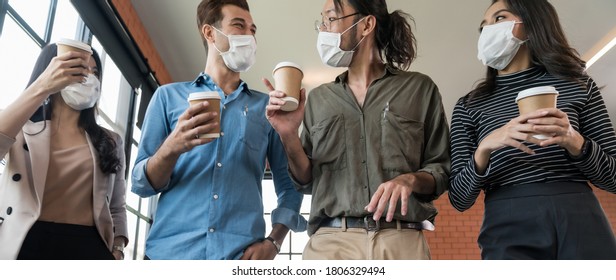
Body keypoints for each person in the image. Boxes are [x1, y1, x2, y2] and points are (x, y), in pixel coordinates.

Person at [264, 0, 450, 260]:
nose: (323, 29)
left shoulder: (420, 89)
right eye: (322, 21)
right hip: (330, 243)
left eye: (330, 19)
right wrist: (288, 134)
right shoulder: (318, 99)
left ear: (366, 25)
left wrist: (410, 179)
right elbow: (305, 181)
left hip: (401, 241)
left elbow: (441, 170)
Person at [131, 0, 306, 260]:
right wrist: (172, 147)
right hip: (169, 256)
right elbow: (141, 183)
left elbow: (290, 187)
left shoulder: (267, 108)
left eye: (253, 30)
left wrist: (274, 242)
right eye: (239, 26)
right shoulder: (167, 97)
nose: (249, 35)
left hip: (239, 259)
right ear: (210, 32)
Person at [449, 0, 616, 259]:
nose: (488, 31)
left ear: (530, 25)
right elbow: (459, 199)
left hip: (580, 213)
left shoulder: (578, 85)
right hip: (507, 220)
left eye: (499, 19)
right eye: (483, 27)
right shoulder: (469, 106)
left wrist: (575, 141)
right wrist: (484, 148)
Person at [0, 42, 129, 260]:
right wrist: (42, 87)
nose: (88, 77)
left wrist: (117, 250)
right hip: (25, 241)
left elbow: (117, 205)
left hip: (88, 247)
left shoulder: (110, 140)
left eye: (95, 71)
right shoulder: (20, 125)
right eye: (78, 68)